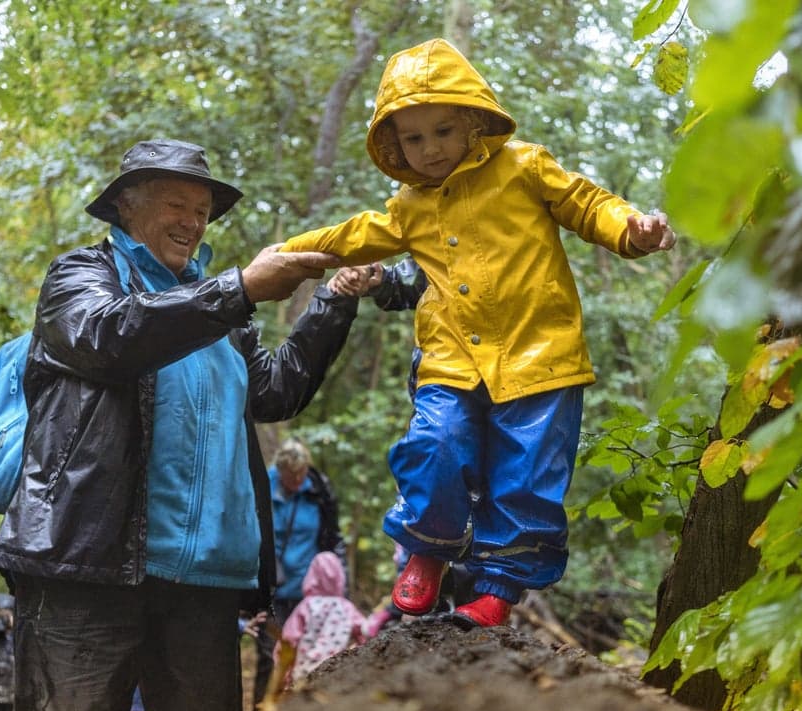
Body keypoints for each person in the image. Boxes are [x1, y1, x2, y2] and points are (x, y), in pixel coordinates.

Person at [282, 39, 678, 629]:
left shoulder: (524, 165)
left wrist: (634, 228)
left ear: (472, 122)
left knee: (527, 477)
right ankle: (426, 548)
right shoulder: (408, 205)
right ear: (394, 146)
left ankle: (498, 589)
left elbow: (586, 202)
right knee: (435, 445)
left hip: (541, 354)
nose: (430, 148)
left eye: (443, 130)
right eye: (413, 139)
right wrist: (287, 254)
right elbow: (353, 234)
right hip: (451, 357)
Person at [0, 138, 355, 711]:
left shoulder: (220, 309)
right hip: (86, 566)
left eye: (202, 211)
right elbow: (110, 337)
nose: (192, 222)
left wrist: (335, 299)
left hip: (204, 584)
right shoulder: (80, 278)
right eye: (176, 204)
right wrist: (237, 289)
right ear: (126, 207)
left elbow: (274, 393)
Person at [253, 437, 344, 707]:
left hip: (309, 594)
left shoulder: (318, 491)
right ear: (279, 471)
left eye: (301, 473)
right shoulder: (262, 487)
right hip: (272, 591)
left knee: (309, 654)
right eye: (290, 475)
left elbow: (333, 539)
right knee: (271, 655)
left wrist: (341, 591)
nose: (297, 479)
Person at [275, 551, 371, 686]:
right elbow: (365, 631)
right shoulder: (346, 607)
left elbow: (288, 640)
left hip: (304, 672)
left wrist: (283, 674)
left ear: (312, 575)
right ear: (340, 575)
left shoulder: (306, 606)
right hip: (337, 671)